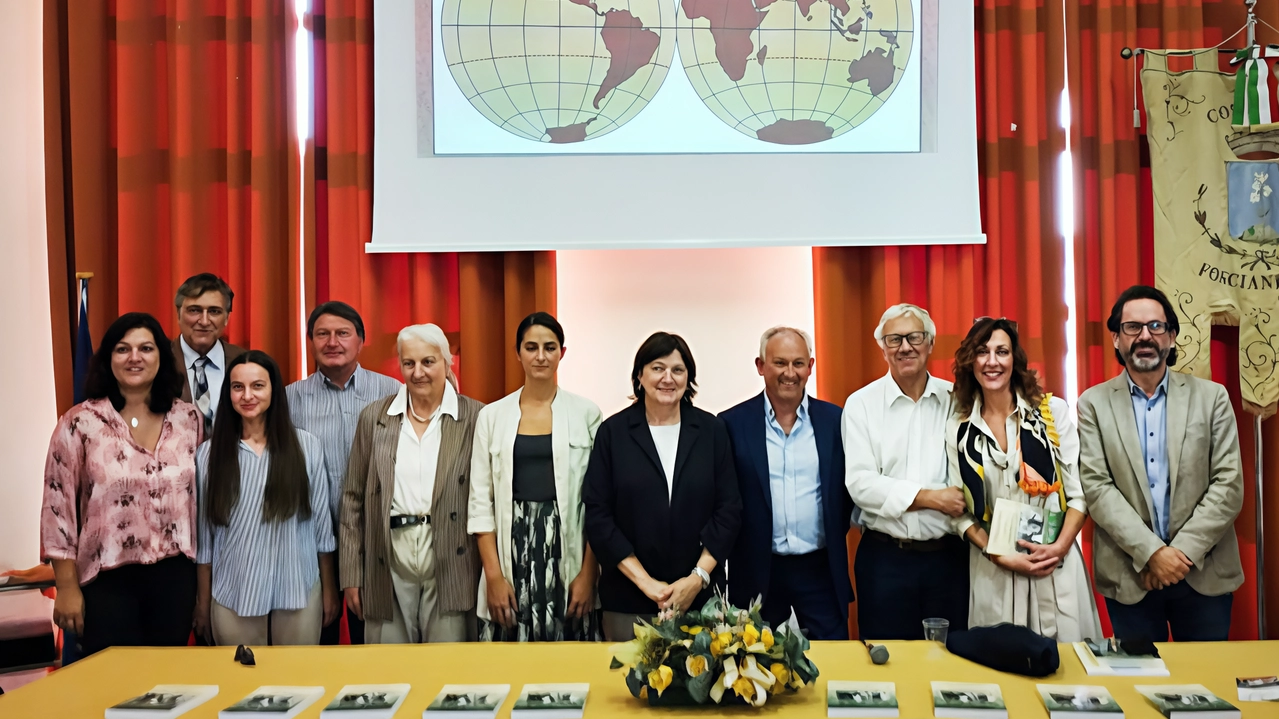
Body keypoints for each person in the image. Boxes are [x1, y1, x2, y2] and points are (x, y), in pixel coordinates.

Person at [1077, 285, 1243, 642]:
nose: (1145, 336)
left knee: (1208, 688)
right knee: (1138, 690)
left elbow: (1228, 485)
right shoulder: (1093, 404)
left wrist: (1177, 556)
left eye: (1156, 326)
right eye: (1132, 327)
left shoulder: (1212, 398)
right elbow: (1097, 488)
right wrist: (1152, 554)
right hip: (1131, 573)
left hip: (1205, 572)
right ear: (1116, 339)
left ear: (1171, 336)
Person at [41, 312, 202, 656]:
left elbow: (202, 502)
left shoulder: (188, 419)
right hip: (107, 581)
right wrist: (66, 587)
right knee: (114, 689)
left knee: (167, 687)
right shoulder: (79, 422)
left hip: (176, 578)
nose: (134, 358)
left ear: (161, 356)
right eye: (122, 349)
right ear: (108, 358)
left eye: (146, 348)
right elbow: (58, 510)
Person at [947, 317, 1102, 642]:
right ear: (970, 361)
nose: (992, 361)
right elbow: (958, 511)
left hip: (1053, 565)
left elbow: (1079, 495)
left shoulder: (1050, 413)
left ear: (1014, 360)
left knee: (1068, 675)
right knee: (1002, 671)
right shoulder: (958, 428)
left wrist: (1059, 548)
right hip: (995, 567)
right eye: (982, 351)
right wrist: (995, 552)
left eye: (1001, 351)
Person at [583, 332, 742, 641]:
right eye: (657, 368)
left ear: (688, 378)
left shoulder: (711, 431)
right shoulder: (612, 433)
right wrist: (648, 585)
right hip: (627, 601)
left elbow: (729, 511)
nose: (668, 378)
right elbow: (599, 517)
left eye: (678, 370)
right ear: (639, 376)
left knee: (699, 686)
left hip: (700, 601)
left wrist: (696, 579)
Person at [340, 324, 484, 643]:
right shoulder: (375, 417)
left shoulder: (476, 417)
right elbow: (352, 500)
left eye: (428, 362)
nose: (418, 372)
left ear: (447, 364)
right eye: (409, 363)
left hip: (451, 556)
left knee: (448, 671)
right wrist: (351, 575)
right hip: (388, 556)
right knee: (389, 673)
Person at [469, 312, 604, 641]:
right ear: (518, 353)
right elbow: (479, 503)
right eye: (531, 347)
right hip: (512, 550)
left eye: (549, 347)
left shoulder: (587, 413)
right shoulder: (492, 416)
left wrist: (588, 575)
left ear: (562, 352)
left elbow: (600, 504)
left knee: (571, 654)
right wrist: (494, 577)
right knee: (510, 653)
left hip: (568, 547)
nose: (541, 356)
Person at [843, 304, 970, 640]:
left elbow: (970, 477)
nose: (905, 347)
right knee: (888, 664)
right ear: (882, 348)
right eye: (894, 339)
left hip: (949, 559)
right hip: (885, 561)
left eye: (914, 337)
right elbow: (861, 485)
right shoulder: (861, 404)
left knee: (951, 661)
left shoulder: (958, 399)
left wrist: (942, 500)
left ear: (930, 343)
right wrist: (933, 498)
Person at [194, 351, 337, 646]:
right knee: (239, 685)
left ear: (274, 389)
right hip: (233, 591)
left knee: (297, 684)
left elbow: (322, 531)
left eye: (258, 386)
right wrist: (203, 603)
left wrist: (329, 590)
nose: (247, 395)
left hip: (298, 587)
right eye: (237, 387)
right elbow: (205, 542)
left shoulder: (306, 446)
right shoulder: (208, 454)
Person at [720, 326, 852, 639]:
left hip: (820, 569)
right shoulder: (730, 424)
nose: (789, 373)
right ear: (760, 366)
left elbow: (846, 493)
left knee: (832, 663)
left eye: (798, 363)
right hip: (756, 570)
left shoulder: (836, 421)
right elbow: (725, 499)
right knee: (751, 673)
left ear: (810, 366)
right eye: (779, 363)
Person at [287, 301, 401, 644]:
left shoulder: (392, 392)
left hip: (372, 537)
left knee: (372, 636)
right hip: (310, 539)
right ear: (310, 340)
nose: (332, 342)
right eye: (322, 334)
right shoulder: (290, 398)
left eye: (342, 333)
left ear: (361, 340)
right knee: (319, 638)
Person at [172, 273, 246, 435]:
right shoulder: (158, 362)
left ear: (227, 318)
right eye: (194, 310)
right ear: (178, 314)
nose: (204, 321)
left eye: (214, 311)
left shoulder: (245, 363)